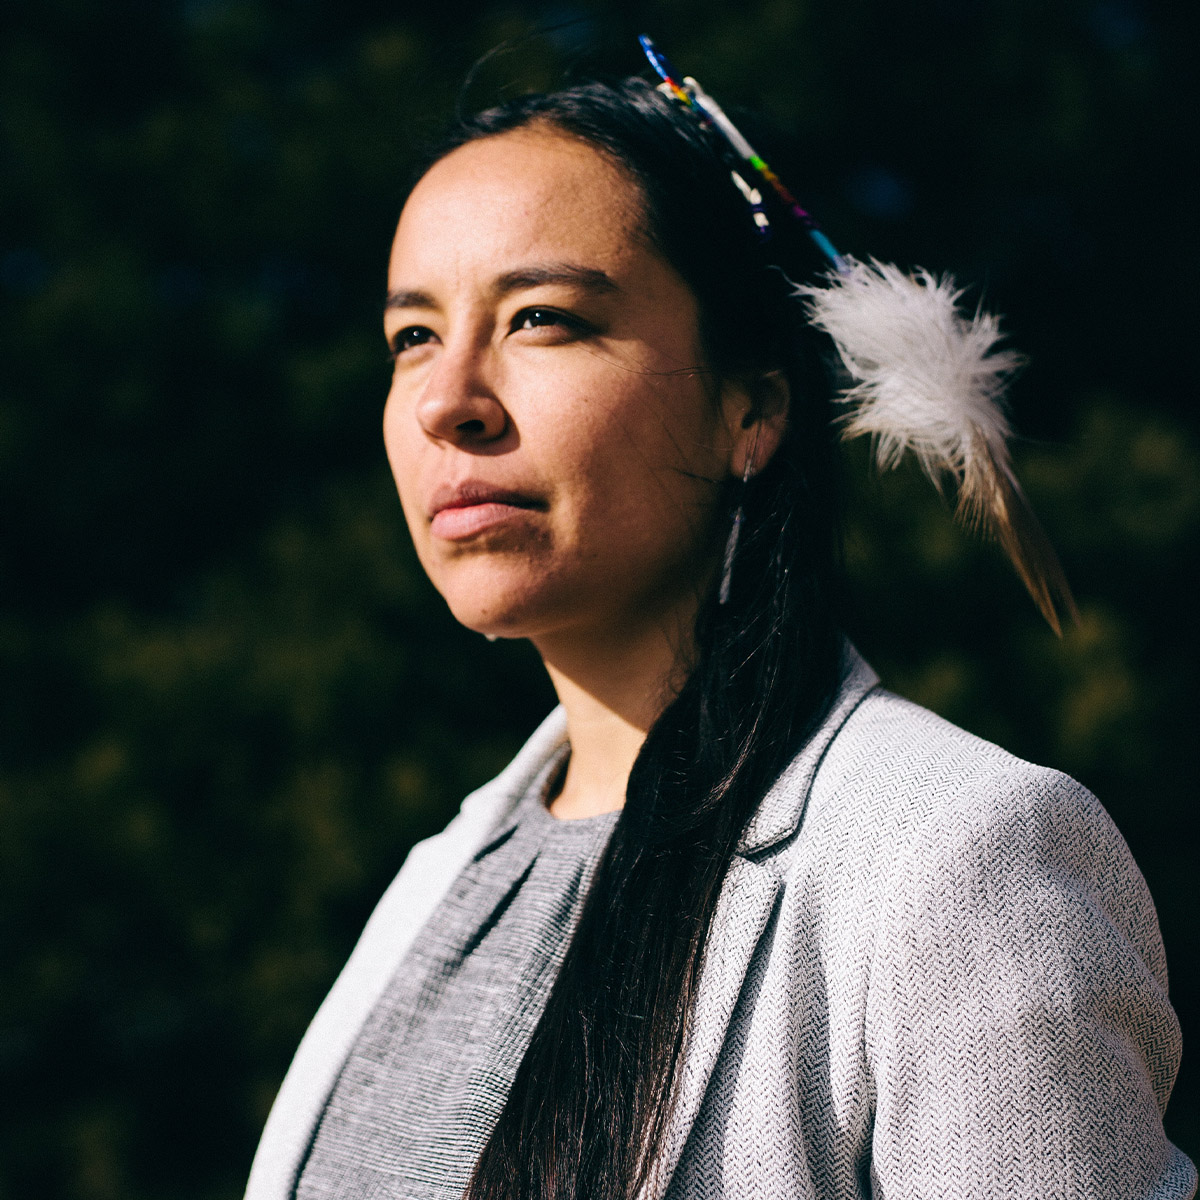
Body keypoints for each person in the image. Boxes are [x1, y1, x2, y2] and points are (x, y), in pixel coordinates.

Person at [244, 53, 1195, 1200]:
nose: (450, 401)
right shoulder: (437, 879)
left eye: (542, 318)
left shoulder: (956, 859)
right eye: (412, 337)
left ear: (755, 407)